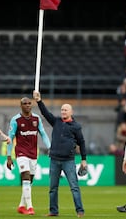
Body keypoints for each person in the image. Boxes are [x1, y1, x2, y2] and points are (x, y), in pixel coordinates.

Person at [33, 90, 86, 218]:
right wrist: (39, 100)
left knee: (74, 187)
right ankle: (53, 211)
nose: (63, 112)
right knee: (52, 188)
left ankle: (80, 211)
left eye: (66, 110)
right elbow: (45, 113)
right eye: (62, 110)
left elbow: (82, 142)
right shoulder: (56, 121)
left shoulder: (76, 126)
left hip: (68, 160)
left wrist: (84, 159)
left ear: (71, 112)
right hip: (54, 159)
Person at [6, 97, 51, 215]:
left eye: (29, 103)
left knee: (29, 181)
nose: (27, 105)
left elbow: (43, 134)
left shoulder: (37, 118)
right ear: (20, 106)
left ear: (32, 105)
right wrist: (9, 156)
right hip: (21, 153)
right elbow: (9, 139)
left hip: (33, 153)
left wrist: (50, 147)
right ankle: (30, 207)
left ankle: (21, 206)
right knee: (25, 176)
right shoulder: (15, 120)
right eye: (24, 104)